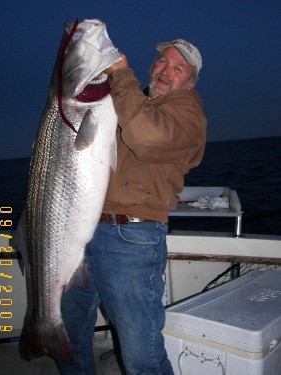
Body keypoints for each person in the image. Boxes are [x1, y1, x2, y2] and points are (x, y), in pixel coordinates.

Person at [57, 39, 207, 374]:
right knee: (68, 333)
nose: (165, 71)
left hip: (131, 238)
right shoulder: (130, 102)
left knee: (141, 356)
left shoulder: (189, 114)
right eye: (161, 63)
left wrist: (121, 74)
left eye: (177, 68)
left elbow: (147, 137)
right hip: (83, 230)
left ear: (190, 82)